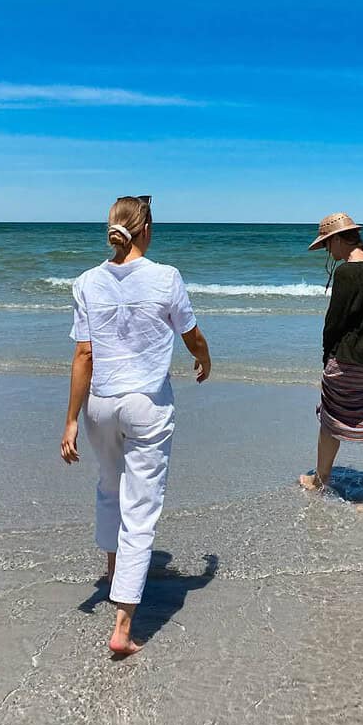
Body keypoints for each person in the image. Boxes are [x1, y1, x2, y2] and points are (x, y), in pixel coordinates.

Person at [60, 195, 212, 655]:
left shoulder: (87, 282)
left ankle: (112, 574)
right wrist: (204, 358)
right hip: (146, 403)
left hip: (101, 405)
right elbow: (191, 334)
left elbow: (83, 354)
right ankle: (124, 628)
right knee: (140, 509)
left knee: (109, 487)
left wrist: (69, 420)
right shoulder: (165, 277)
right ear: (145, 228)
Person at [299, 212, 363, 513]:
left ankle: (320, 481)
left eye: (329, 244)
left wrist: (327, 357)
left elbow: (334, 324)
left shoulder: (346, 274)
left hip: (348, 363)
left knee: (329, 420)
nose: (329, 252)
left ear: (341, 239)